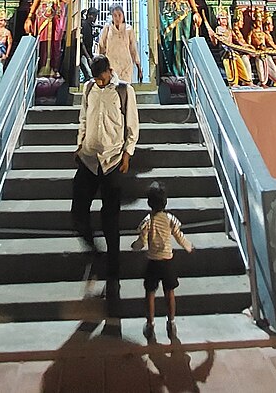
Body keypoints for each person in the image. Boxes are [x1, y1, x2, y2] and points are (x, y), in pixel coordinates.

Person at [72, 54, 139, 305]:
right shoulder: (89, 88)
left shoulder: (124, 91)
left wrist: (127, 154)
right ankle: (94, 253)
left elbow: (132, 125)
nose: (99, 83)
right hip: (88, 158)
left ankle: (113, 277)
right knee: (78, 211)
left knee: (111, 223)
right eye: (96, 79)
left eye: (102, 79)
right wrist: (79, 146)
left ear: (110, 71)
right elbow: (83, 118)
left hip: (112, 160)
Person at [131, 179, 194, 340]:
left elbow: (142, 241)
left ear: (148, 202)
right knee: (170, 292)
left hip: (153, 261)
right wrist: (188, 246)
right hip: (168, 260)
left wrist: (135, 246)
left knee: (150, 293)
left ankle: (150, 324)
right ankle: (171, 322)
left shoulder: (147, 221)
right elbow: (179, 236)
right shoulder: (170, 219)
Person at [98, 5, 143, 84]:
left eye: (119, 15)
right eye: (115, 15)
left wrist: (139, 67)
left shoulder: (129, 29)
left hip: (126, 65)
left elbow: (133, 49)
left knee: (125, 89)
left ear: (123, 15)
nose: (117, 18)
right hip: (111, 65)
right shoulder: (107, 28)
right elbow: (101, 45)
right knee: (111, 89)